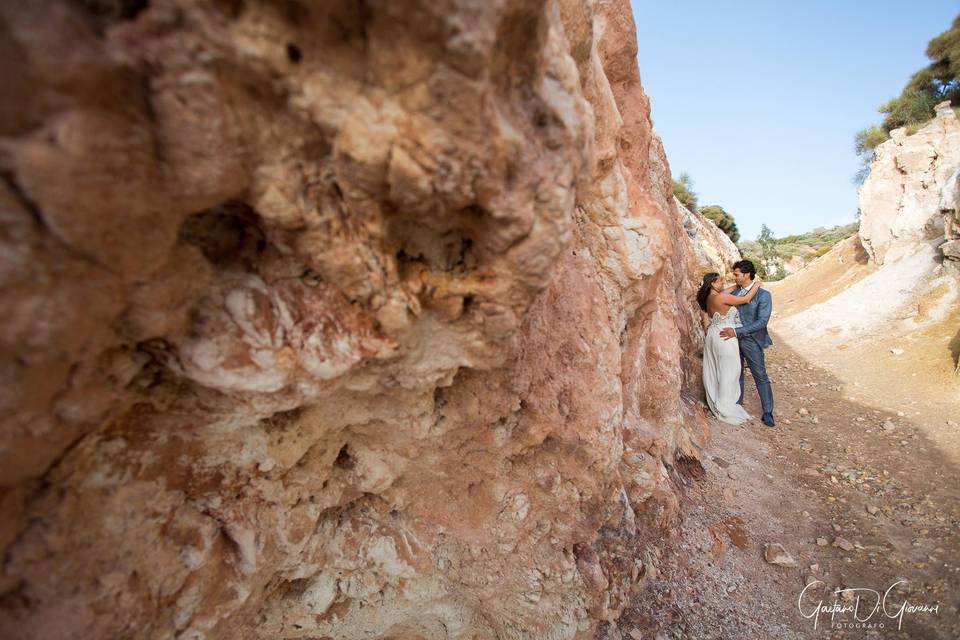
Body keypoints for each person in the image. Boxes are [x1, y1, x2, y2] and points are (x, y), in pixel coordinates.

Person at [697, 271, 762, 425]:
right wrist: (756, 285)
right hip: (725, 337)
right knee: (730, 371)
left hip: (713, 335)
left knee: (716, 369)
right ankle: (725, 405)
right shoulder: (721, 297)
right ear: (713, 283)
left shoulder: (709, 297)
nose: (723, 284)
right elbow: (746, 298)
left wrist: (738, 284)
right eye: (720, 281)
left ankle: (717, 399)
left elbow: (726, 291)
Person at [719, 259, 775, 427]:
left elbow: (762, 321)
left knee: (760, 374)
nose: (734, 277)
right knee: (737, 373)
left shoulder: (764, 295)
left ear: (747, 274)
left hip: (751, 340)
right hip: (732, 340)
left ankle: (768, 411)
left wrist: (736, 332)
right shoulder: (734, 292)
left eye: (736, 275)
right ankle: (737, 405)